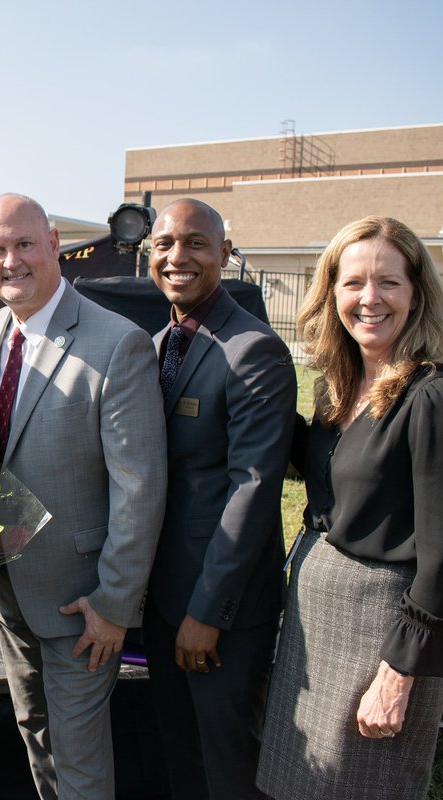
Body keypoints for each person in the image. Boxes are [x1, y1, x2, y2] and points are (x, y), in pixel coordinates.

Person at [256, 216, 443, 800]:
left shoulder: (436, 397)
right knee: (297, 781)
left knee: (360, 785)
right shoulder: (338, 388)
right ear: (331, 292)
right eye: (353, 282)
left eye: (389, 282)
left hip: (381, 629)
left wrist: (398, 673)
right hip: (317, 619)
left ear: (417, 294)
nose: (369, 298)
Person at [0, 193, 166, 799]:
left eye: (24, 244)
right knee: (37, 740)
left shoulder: (117, 344)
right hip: (12, 594)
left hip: (82, 604)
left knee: (80, 764)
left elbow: (140, 489)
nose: (12, 261)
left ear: (55, 243)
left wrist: (112, 603)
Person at [136, 200, 296, 799]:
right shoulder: (155, 343)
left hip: (220, 613)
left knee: (226, 768)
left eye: (197, 243)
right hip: (162, 600)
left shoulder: (254, 350)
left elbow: (252, 490)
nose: (178, 257)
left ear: (225, 254)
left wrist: (207, 615)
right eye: (164, 245)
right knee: (181, 759)